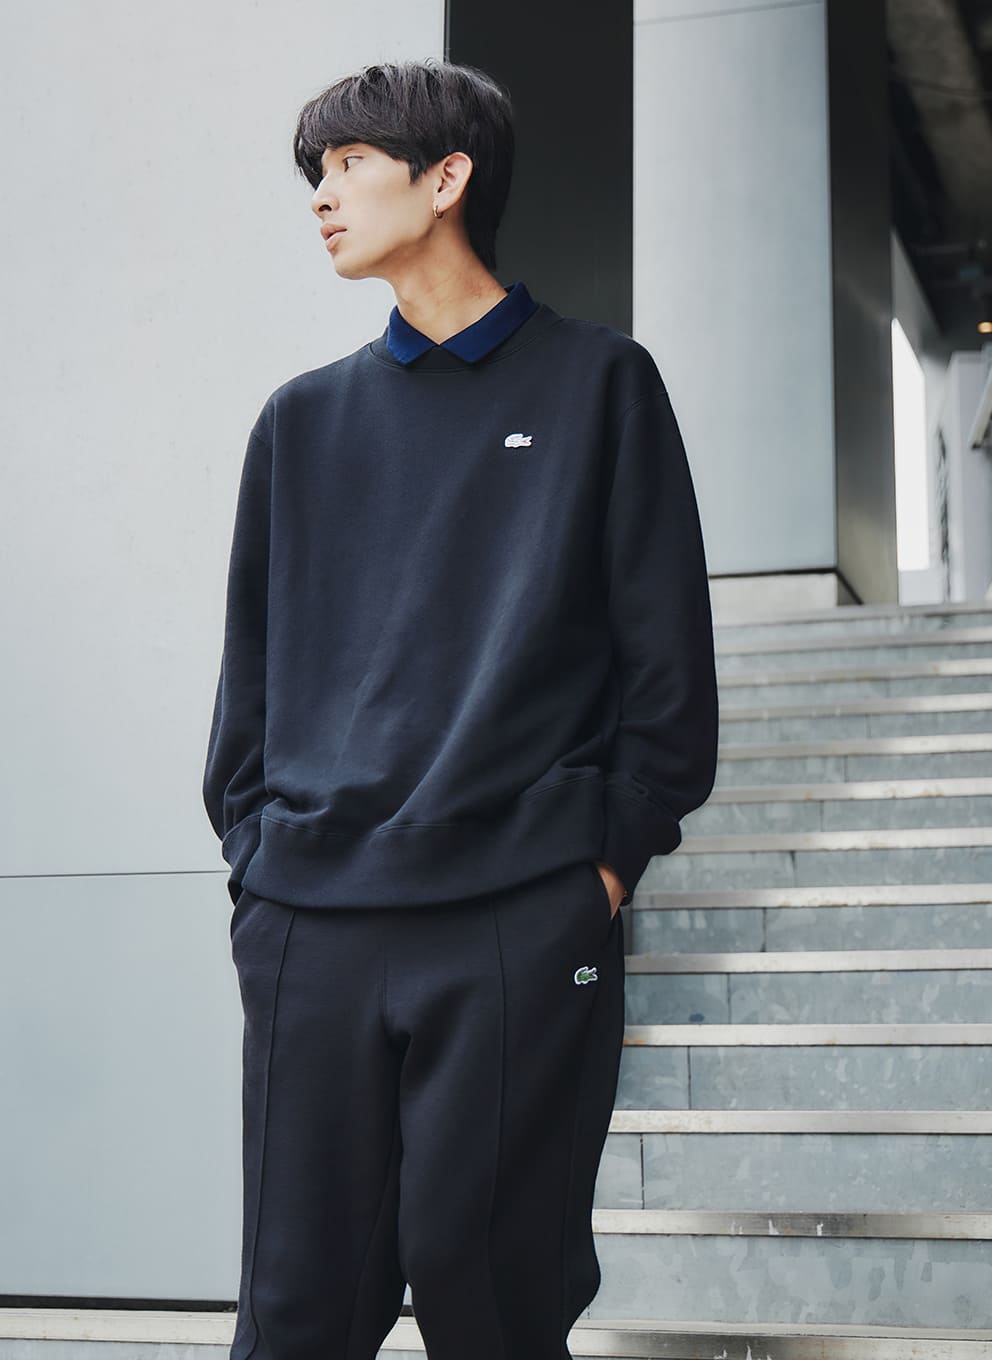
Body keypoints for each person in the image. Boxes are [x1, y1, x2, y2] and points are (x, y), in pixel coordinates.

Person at [202, 56, 718, 1360]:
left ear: (447, 179)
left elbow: (668, 674)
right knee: (295, 1315)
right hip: (311, 919)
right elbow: (249, 680)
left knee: (492, 1302)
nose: (321, 197)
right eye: (315, 174)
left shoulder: (601, 387)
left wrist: (595, 872)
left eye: (349, 165)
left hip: (518, 913)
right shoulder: (300, 423)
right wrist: (257, 866)